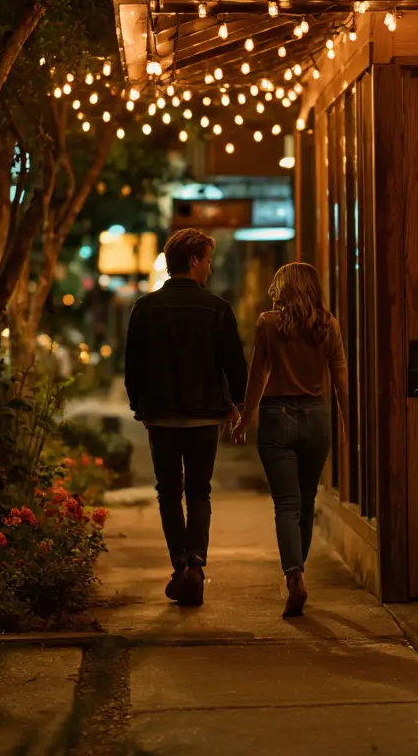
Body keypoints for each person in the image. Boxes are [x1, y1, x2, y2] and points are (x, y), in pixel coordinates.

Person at [124, 228, 248, 607]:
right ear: (193, 261)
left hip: (161, 417)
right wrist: (236, 404)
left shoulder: (145, 308)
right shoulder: (217, 309)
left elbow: (133, 367)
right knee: (199, 492)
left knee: (168, 492)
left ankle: (180, 565)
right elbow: (235, 366)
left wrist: (139, 406)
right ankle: (196, 562)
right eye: (207, 260)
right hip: (203, 419)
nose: (209, 268)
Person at [231, 263, 348, 617]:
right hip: (316, 418)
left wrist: (245, 418)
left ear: (284, 289)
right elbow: (341, 379)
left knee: (286, 504)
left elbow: (258, 375)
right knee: (307, 500)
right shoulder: (329, 325)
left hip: (276, 418)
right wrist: (348, 423)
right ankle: (299, 571)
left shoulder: (269, 324)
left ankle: (293, 575)